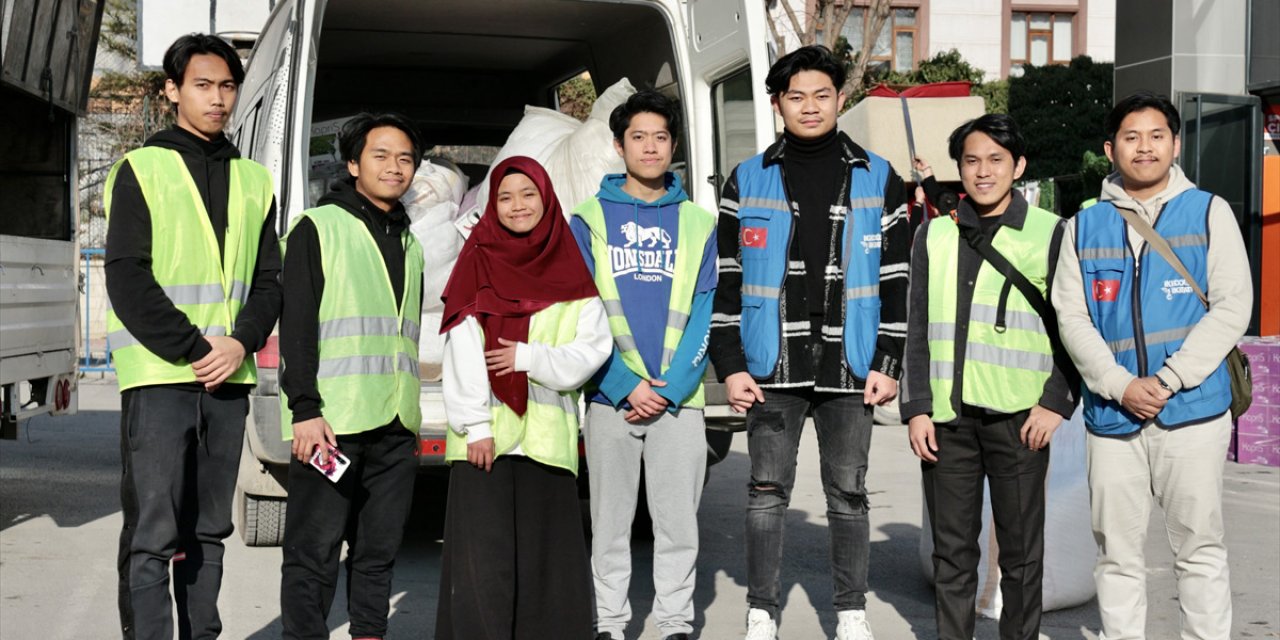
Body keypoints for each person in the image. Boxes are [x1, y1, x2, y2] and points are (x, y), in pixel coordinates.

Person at [708, 45, 910, 640]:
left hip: (852, 365)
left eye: (822, 95)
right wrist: (730, 366)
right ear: (777, 104)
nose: (811, 106)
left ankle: (850, 612)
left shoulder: (880, 176)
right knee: (766, 493)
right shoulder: (747, 178)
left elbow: (898, 280)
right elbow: (725, 280)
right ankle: (761, 612)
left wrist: (889, 361)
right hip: (773, 364)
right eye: (796, 96)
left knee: (848, 494)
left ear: (841, 99)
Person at [1052, 92, 1252, 640]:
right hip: (1113, 418)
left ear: (1175, 143)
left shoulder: (1210, 212)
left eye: (1156, 135)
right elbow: (1072, 318)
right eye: (1131, 137)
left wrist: (1166, 380)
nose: (1144, 147)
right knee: (1116, 554)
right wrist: (1119, 385)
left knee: (1200, 549)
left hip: (1192, 413)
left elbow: (1234, 305)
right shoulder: (1082, 227)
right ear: (1110, 148)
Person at [104, 33, 281, 640]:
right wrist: (198, 347)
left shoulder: (256, 180)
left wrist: (240, 343)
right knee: (154, 532)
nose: (218, 99)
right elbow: (127, 277)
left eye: (227, 86)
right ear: (172, 90)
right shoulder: (142, 169)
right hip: (160, 377)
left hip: (228, 378)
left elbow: (269, 278)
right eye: (202, 86)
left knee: (210, 529)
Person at [900, 114, 1076, 640]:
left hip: (1021, 422)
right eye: (972, 160)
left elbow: (1075, 326)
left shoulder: (1051, 233)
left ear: (1018, 166)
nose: (983, 172)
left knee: (1021, 557)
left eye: (996, 160)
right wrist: (916, 408)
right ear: (959, 168)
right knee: (952, 555)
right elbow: (916, 325)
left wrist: (1055, 401)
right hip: (948, 422)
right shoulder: (934, 234)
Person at [435, 156, 610, 640]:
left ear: (547, 199)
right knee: (482, 570)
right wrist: (477, 426)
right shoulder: (479, 258)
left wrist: (530, 358)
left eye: (528, 194)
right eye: (505, 197)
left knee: (546, 569)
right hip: (485, 443)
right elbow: (463, 348)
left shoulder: (569, 267)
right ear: (492, 204)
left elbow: (591, 348)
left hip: (546, 444)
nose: (517, 206)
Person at [569, 90, 718, 640]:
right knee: (608, 523)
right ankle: (609, 622)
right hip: (610, 395)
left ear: (673, 146)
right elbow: (579, 310)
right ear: (618, 145)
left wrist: (673, 387)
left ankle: (676, 622)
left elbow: (705, 308)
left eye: (660, 137)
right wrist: (625, 384)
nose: (650, 147)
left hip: (680, 400)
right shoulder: (585, 220)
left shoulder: (699, 223)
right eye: (638, 137)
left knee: (677, 524)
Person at [277, 112, 425, 640]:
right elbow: (296, 327)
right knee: (313, 550)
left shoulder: (412, 242)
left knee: (378, 549)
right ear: (353, 162)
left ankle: (368, 633)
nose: (394, 166)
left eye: (405, 157)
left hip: (393, 421)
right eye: (381, 155)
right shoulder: (319, 228)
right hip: (332, 424)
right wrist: (305, 410)